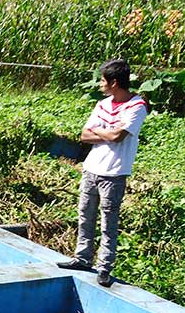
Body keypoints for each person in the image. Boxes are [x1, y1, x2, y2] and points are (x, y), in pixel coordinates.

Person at [57, 59, 147, 287]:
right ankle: (83, 258)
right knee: (85, 216)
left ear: (114, 82)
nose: (100, 84)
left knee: (109, 222)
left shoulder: (137, 107)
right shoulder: (103, 104)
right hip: (91, 168)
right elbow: (84, 136)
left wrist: (101, 130)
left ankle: (104, 266)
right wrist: (109, 131)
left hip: (114, 173)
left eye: (103, 80)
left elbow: (119, 137)